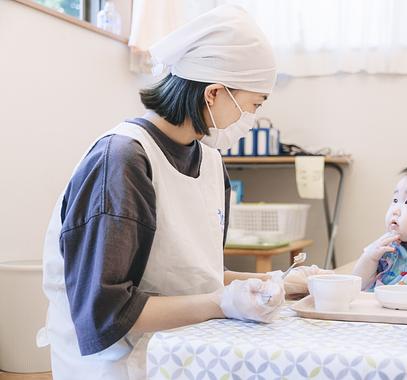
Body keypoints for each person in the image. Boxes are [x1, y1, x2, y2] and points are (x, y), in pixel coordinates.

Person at [38, 5, 327, 379]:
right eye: (252, 106)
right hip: (115, 364)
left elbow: (195, 275)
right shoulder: (122, 161)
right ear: (214, 94)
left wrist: (277, 282)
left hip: (183, 350)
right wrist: (221, 303)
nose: (249, 120)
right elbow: (104, 310)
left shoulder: (208, 161)